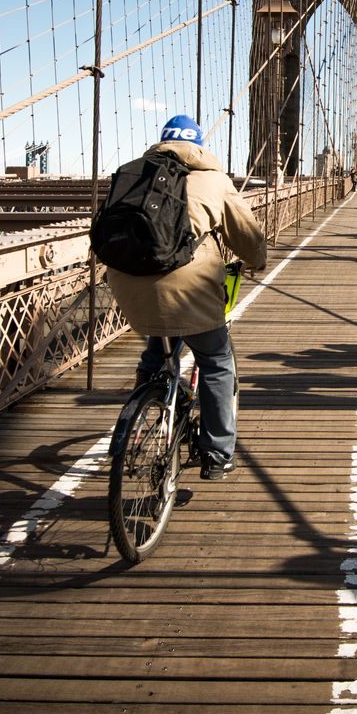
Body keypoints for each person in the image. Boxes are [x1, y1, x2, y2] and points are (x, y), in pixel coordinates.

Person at [101, 115, 267, 480]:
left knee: (159, 342)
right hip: (189, 289)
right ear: (198, 146)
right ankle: (217, 454)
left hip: (126, 282)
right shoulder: (214, 180)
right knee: (216, 361)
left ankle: (139, 415)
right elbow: (248, 236)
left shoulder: (133, 174)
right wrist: (257, 260)